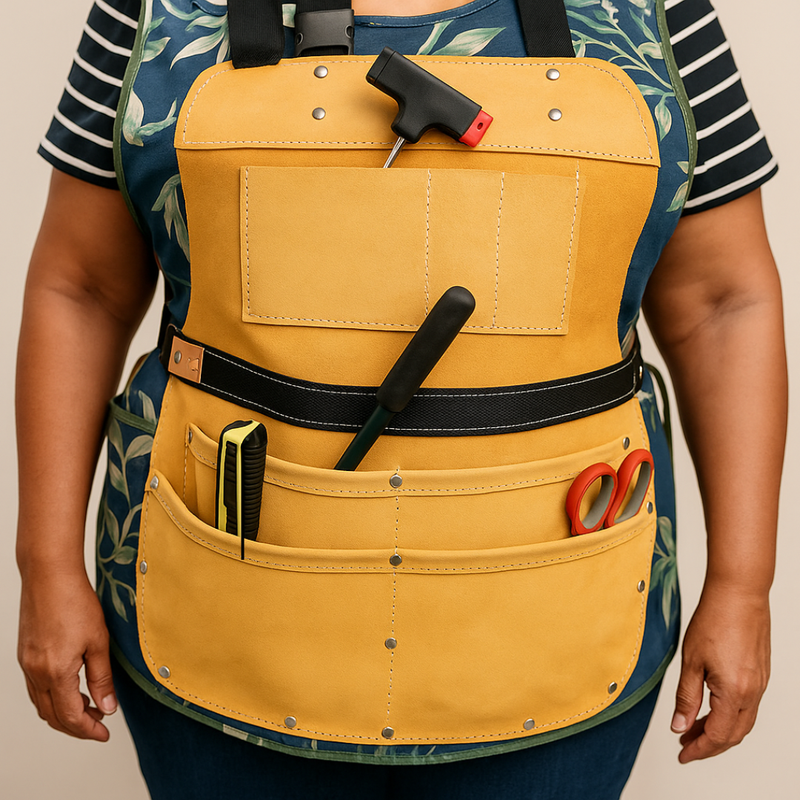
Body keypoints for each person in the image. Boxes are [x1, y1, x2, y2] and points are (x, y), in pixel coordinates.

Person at [17, 1, 785, 798]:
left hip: (564, 628)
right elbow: (82, 288)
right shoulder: (156, 13)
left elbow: (722, 305)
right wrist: (44, 566)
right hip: (219, 619)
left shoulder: (653, 14)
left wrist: (743, 585)